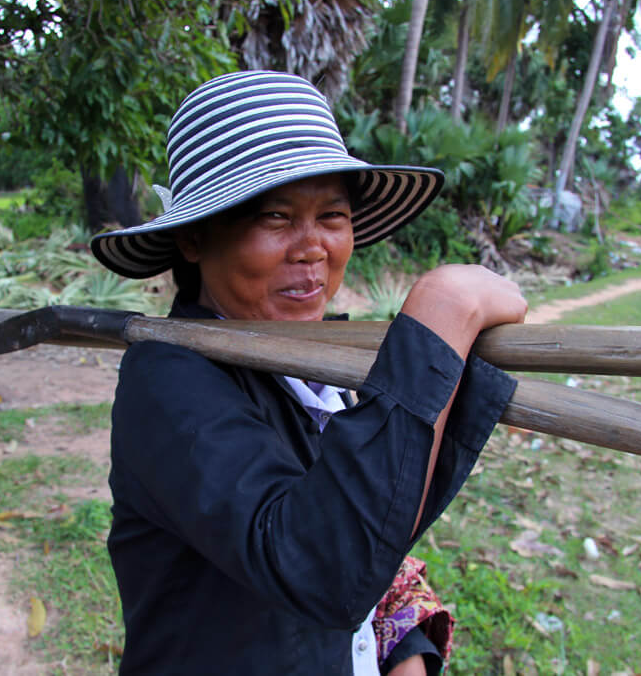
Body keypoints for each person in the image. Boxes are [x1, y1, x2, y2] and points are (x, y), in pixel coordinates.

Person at [91, 70, 527, 675]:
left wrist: (405, 648)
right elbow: (321, 567)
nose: (313, 247)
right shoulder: (167, 379)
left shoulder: (324, 368)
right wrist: (444, 307)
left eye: (333, 216)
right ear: (194, 238)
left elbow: (378, 522)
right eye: (275, 217)